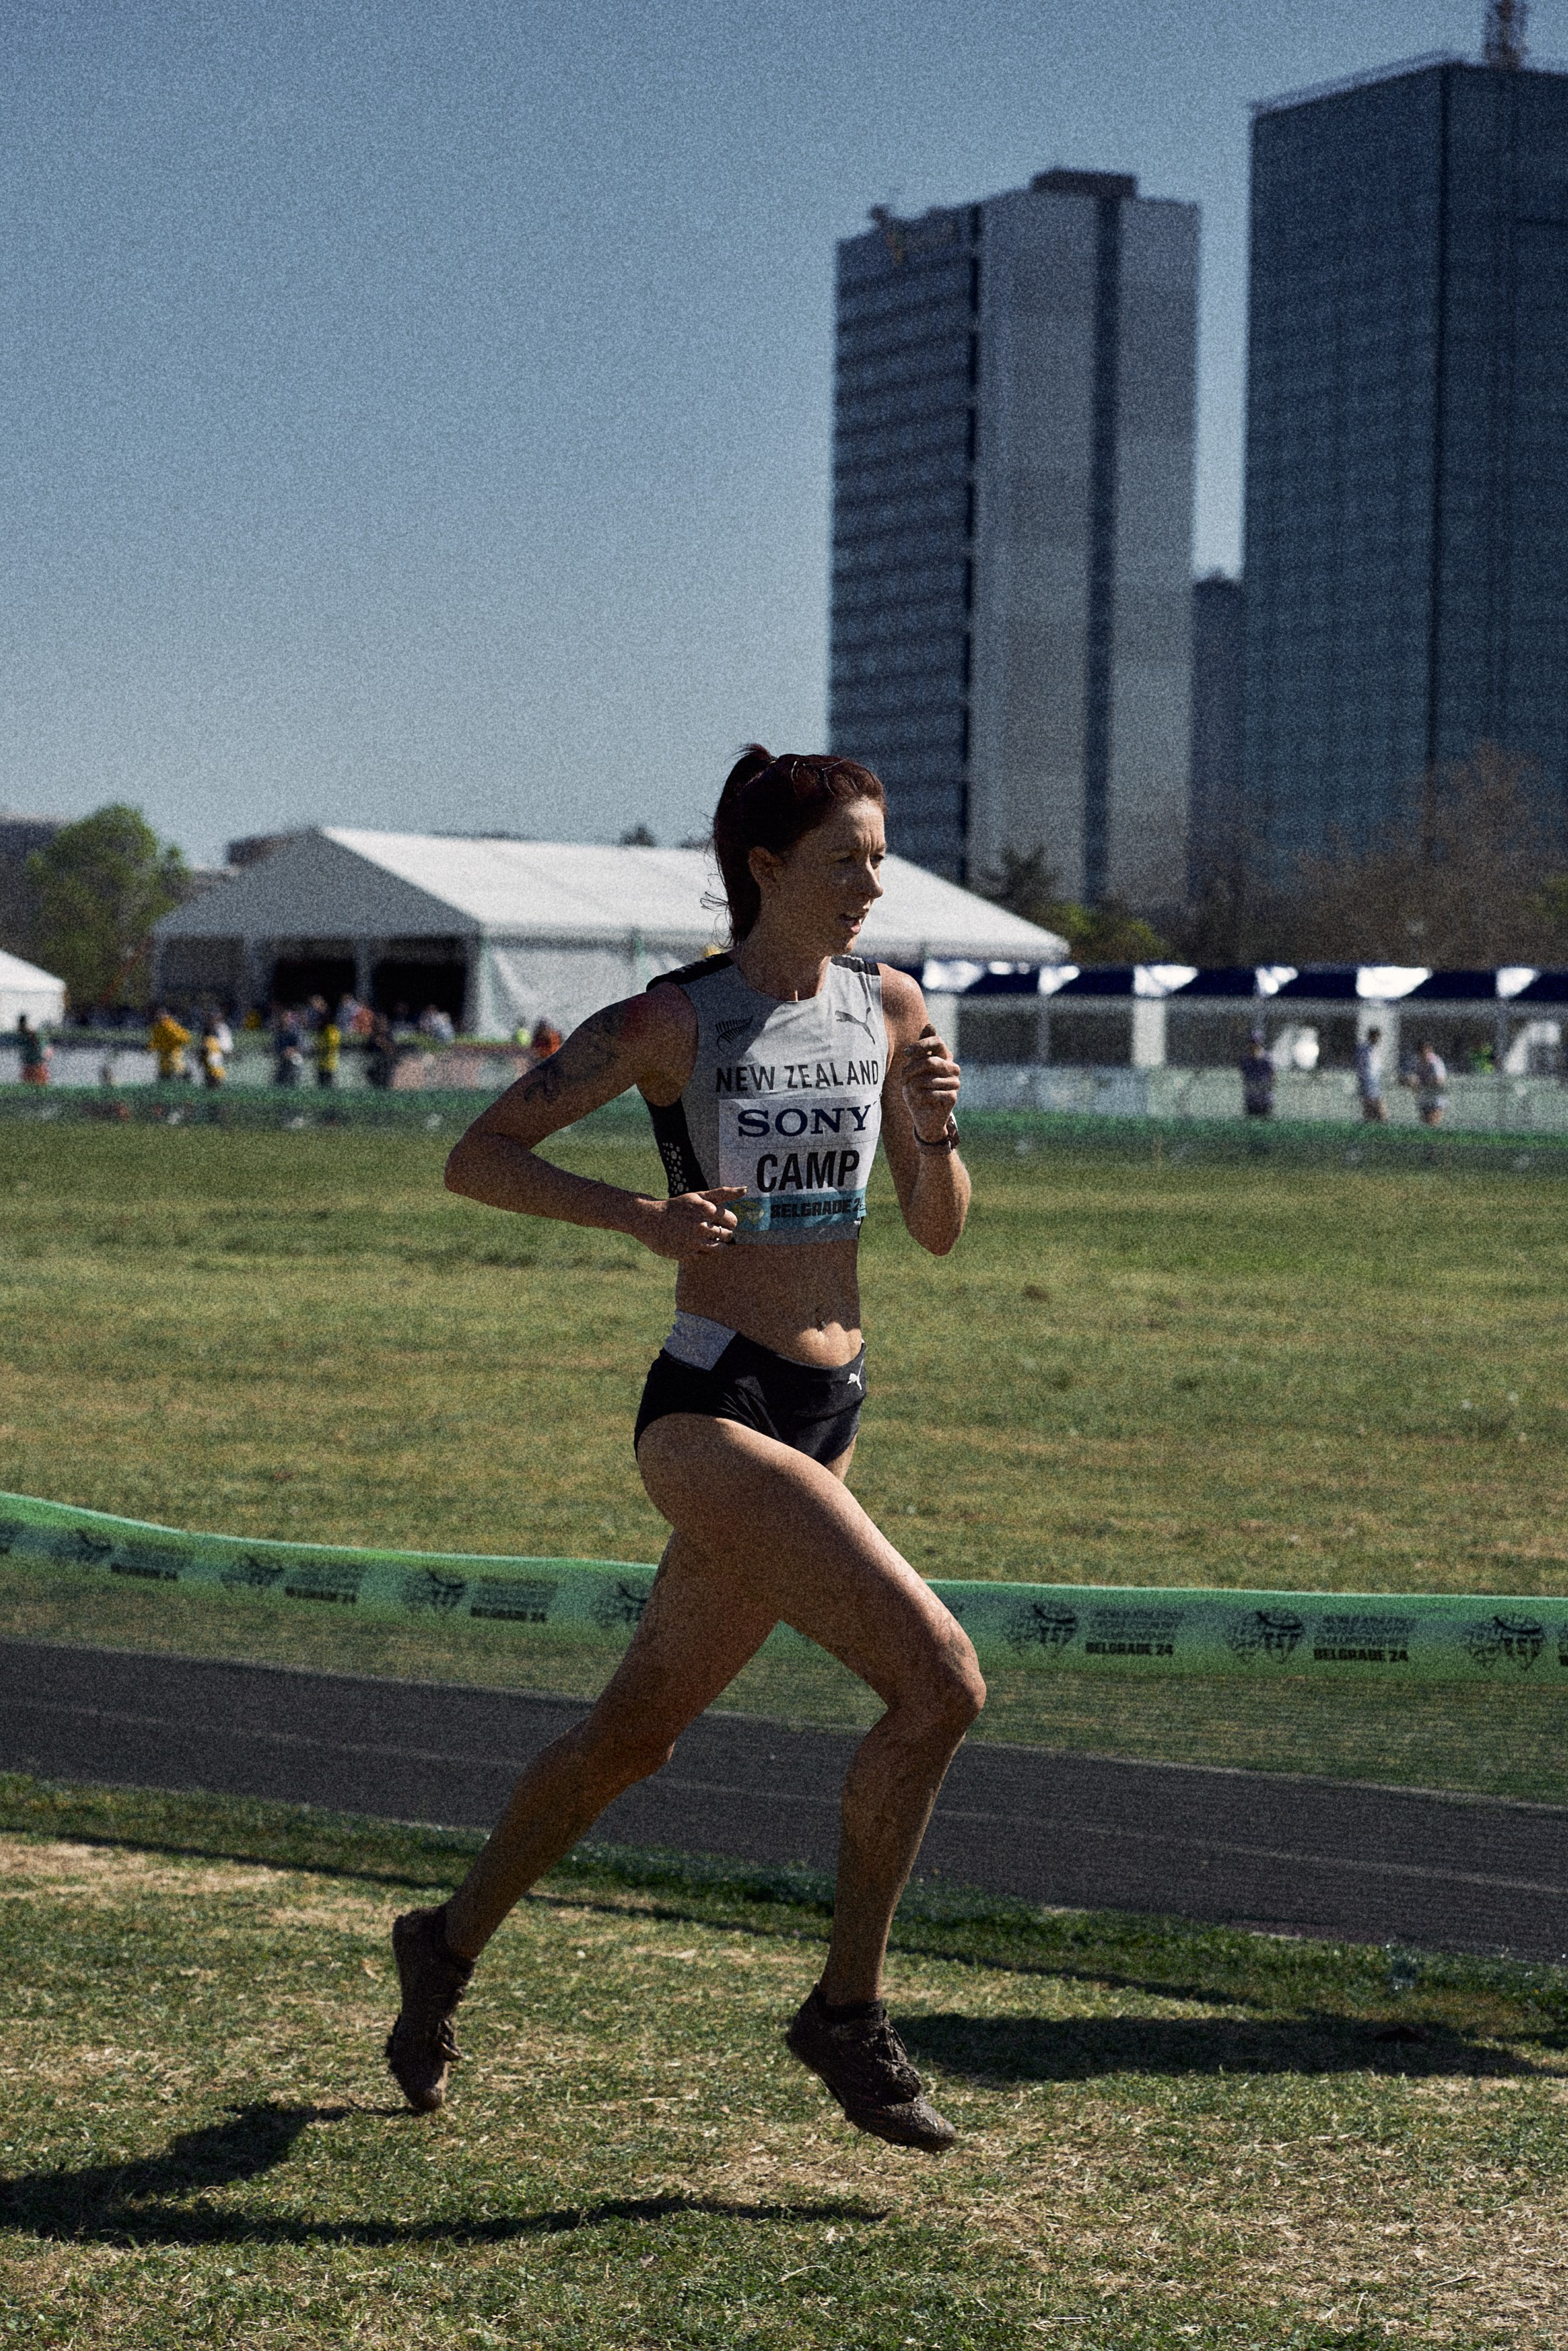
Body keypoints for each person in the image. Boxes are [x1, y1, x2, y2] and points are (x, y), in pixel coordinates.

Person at [384, 746, 982, 2152]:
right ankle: (845, 2013)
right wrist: (638, 1221)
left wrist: (938, 1135)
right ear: (764, 870)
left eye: (877, 860)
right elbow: (478, 1156)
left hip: (825, 1416)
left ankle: (445, 1945)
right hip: (708, 1413)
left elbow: (939, 1229)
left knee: (633, 1738)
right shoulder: (673, 1021)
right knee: (938, 1684)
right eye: (843, 860)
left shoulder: (886, 1007)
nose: (869, 885)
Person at [1408, 1038, 1448, 1127]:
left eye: (1426, 1050)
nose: (1424, 1054)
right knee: (1425, 1125)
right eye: (1421, 1051)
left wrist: (1423, 1082)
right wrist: (1411, 1081)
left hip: (1436, 1098)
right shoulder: (1416, 1062)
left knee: (1432, 1123)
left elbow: (1440, 1080)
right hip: (1424, 1097)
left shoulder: (1435, 1062)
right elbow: (1410, 1077)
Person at [149, 1007, 192, 1084]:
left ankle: (185, 1078)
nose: (159, 1016)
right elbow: (156, 1041)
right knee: (165, 1069)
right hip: (164, 1053)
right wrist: (150, 1047)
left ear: (166, 1015)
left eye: (162, 1014)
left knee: (177, 1068)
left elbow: (185, 1037)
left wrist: (176, 1041)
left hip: (174, 1052)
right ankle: (166, 1083)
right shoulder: (157, 1027)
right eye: (158, 1015)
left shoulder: (172, 1025)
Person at [1239, 1028, 1275, 1118]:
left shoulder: (1266, 1058)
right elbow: (1244, 1075)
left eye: (1256, 1043)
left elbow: (1272, 1074)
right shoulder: (1246, 1059)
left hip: (1264, 1097)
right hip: (1251, 1097)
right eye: (1252, 1043)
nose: (1254, 1045)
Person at [1355, 1025, 1387, 1123]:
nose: (1378, 1039)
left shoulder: (1375, 1050)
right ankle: (1371, 1122)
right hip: (1368, 1080)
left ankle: (1378, 1122)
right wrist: (1362, 1080)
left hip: (1375, 1080)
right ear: (1371, 1037)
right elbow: (1361, 1066)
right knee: (1371, 1103)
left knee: (1376, 1103)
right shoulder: (1364, 1049)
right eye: (1376, 1036)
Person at [15, 1012, 50, 1085]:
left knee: (38, 1086)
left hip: (36, 1066)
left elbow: (39, 1046)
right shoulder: (23, 1034)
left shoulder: (31, 1034)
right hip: (29, 1065)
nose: (18, 1027)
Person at [199, 1016, 227, 1088]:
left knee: (211, 1088)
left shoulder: (207, 1041)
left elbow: (204, 1053)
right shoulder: (216, 1041)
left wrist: (200, 1061)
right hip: (220, 1072)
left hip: (211, 1072)